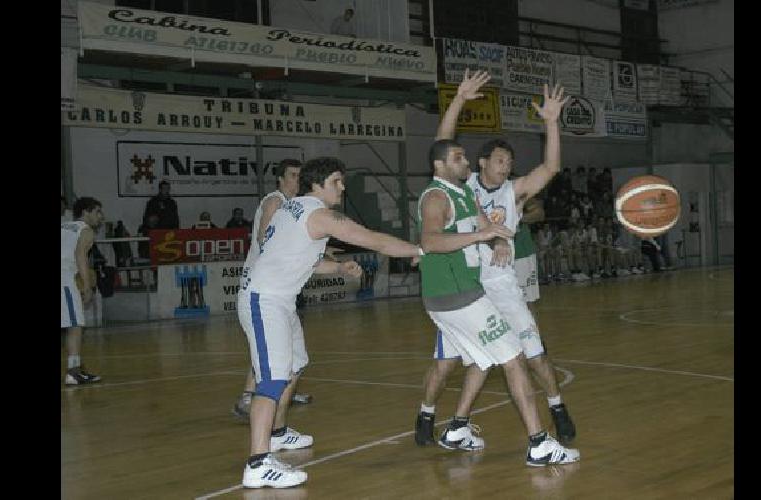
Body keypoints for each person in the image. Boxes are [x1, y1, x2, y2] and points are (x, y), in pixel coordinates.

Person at [412, 69, 580, 466]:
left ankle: (555, 409)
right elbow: (443, 146)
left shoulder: (514, 190)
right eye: (501, 159)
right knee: (463, 360)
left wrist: (552, 124)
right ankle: (440, 418)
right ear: (482, 162)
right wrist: (457, 101)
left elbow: (551, 168)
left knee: (525, 355)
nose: (507, 166)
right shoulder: (461, 183)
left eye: (511, 161)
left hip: (499, 284)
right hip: (465, 282)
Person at [236, 157, 425, 489]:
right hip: (264, 300)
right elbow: (372, 240)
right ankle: (257, 463)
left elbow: (299, 259)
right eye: (337, 181)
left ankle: (277, 434)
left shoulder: (293, 209)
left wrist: (337, 268)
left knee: (294, 365)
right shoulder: (318, 214)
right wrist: (419, 249)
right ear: (317, 185)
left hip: (279, 299)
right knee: (270, 380)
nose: (342, 186)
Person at [231, 159, 312, 421]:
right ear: (280, 178)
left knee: (280, 343)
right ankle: (248, 397)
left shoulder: (292, 206)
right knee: (268, 343)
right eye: (292, 175)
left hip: (278, 286)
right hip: (262, 286)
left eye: (300, 176)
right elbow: (264, 237)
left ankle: (282, 389)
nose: (297, 180)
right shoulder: (275, 201)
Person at [61, 197, 105, 386]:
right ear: (85, 212)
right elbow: (80, 256)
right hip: (64, 278)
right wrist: (87, 286)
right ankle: (73, 372)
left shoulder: (63, 226)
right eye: (97, 212)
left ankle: (77, 367)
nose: (101, 217)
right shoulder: (85, 230)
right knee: (75, 325)